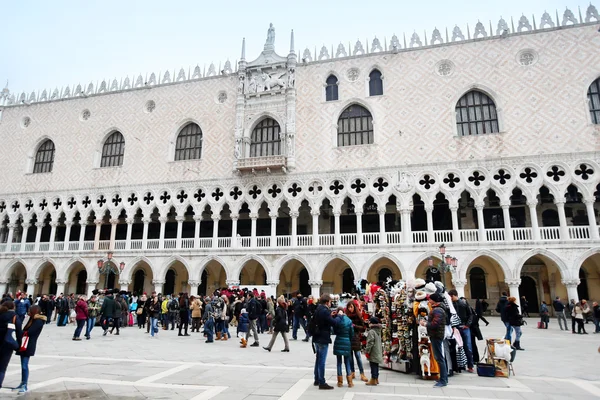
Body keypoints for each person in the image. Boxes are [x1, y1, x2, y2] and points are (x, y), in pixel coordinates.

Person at [14, 305, 46, 393]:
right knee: (23, 365)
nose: (28, 312)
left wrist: (18, 330)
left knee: (24, 365)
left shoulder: (38, 321)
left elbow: (30, 332)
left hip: (29, 344)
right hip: (25, 343)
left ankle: (24, 384)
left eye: (29, 310)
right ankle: (22, 382)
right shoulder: (32, 319)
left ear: (34, 311)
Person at [312, 294, 341, 390]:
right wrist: (339, 317)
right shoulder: (324, 311)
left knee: (318, 359)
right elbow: (334, 323)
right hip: (322, 337)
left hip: (316, 337)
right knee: (322, 361)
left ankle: (316, 379)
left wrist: (330, 315)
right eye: (330, 302)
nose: (330, 303)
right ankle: (322, 382)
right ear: (327, 302)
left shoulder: (318, 309)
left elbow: (324, 319)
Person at [448, 290, 474, 373]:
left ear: (454, 296)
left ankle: (470, 365)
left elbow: (471, 314)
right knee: (459, 347)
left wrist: (467, 325)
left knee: (467, 346)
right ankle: (461, 365)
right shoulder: (452, 304)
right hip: (457, 327)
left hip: (463, 327)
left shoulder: (463, 303)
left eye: (451, 296)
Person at [426, 293, 448, 388]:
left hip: (436, 335)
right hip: (436, 335)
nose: (429, 301)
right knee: (439, 357)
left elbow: (435, 324)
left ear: (434, 300)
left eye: (430, 300)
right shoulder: (437, 309)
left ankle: (443, 380)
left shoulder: (438, 310)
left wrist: (425, 324)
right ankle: (443, 378)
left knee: (439, 357)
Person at [0, 301, 22, 389]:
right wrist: (19, 346)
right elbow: (19, 333)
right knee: (2, 367)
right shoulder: (14, 317)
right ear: (13, 307)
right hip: (7, 344)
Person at [345, 299, 368, 382]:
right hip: (348, 338)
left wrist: (354, 326)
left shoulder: (358, 316)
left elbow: (363, 328)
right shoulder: (346, 316)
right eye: (349, 307)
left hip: (356, 338)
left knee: (358, 356)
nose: (350, 309)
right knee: (350, 357)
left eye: (351, 307)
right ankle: (352, 372)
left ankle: (362, 373)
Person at [333, 307, 354, 388]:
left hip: (338, 341)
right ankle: (350, 382)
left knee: (339, 362)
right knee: (347, 362)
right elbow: (351, 332)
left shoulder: (337, 320)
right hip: (347, 341)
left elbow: (334, 331)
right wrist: (349, 339)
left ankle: (340, 382)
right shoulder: (349, 320)